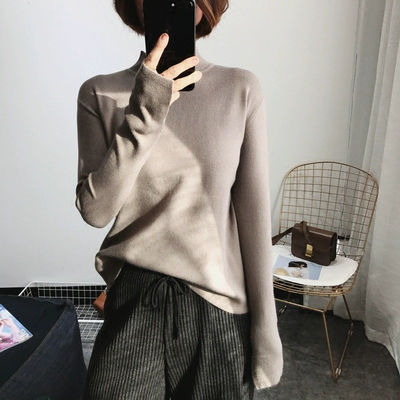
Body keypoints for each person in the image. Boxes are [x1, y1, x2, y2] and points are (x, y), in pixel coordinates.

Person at [76, 0, 283, 398]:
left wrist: (266, 328)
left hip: (218, 304)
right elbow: (95, 211)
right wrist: (146, 111)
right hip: (135, 298)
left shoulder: (240, 88)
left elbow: (253, 216)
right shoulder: (99, 92)